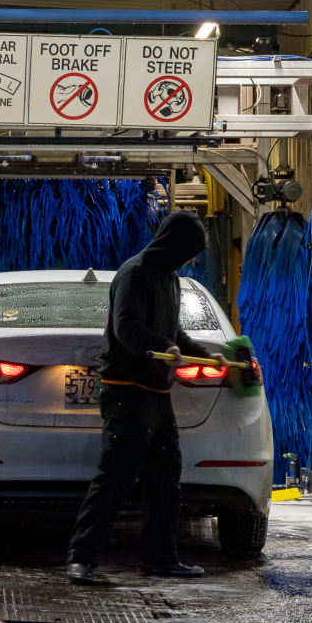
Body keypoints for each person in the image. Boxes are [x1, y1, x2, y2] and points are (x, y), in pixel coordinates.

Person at [66, 209, 226, 585]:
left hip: (157, 394)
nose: (191, 259)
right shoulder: (134, 273)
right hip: (127, 391)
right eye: (189, 250)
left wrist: (207, 355)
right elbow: (127, 328)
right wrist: (160, 346)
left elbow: (175, 335)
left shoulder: (171, 279)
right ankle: (82, 558)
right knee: (116, 477)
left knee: (164, 479)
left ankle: (161, 558)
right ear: (173, 243)